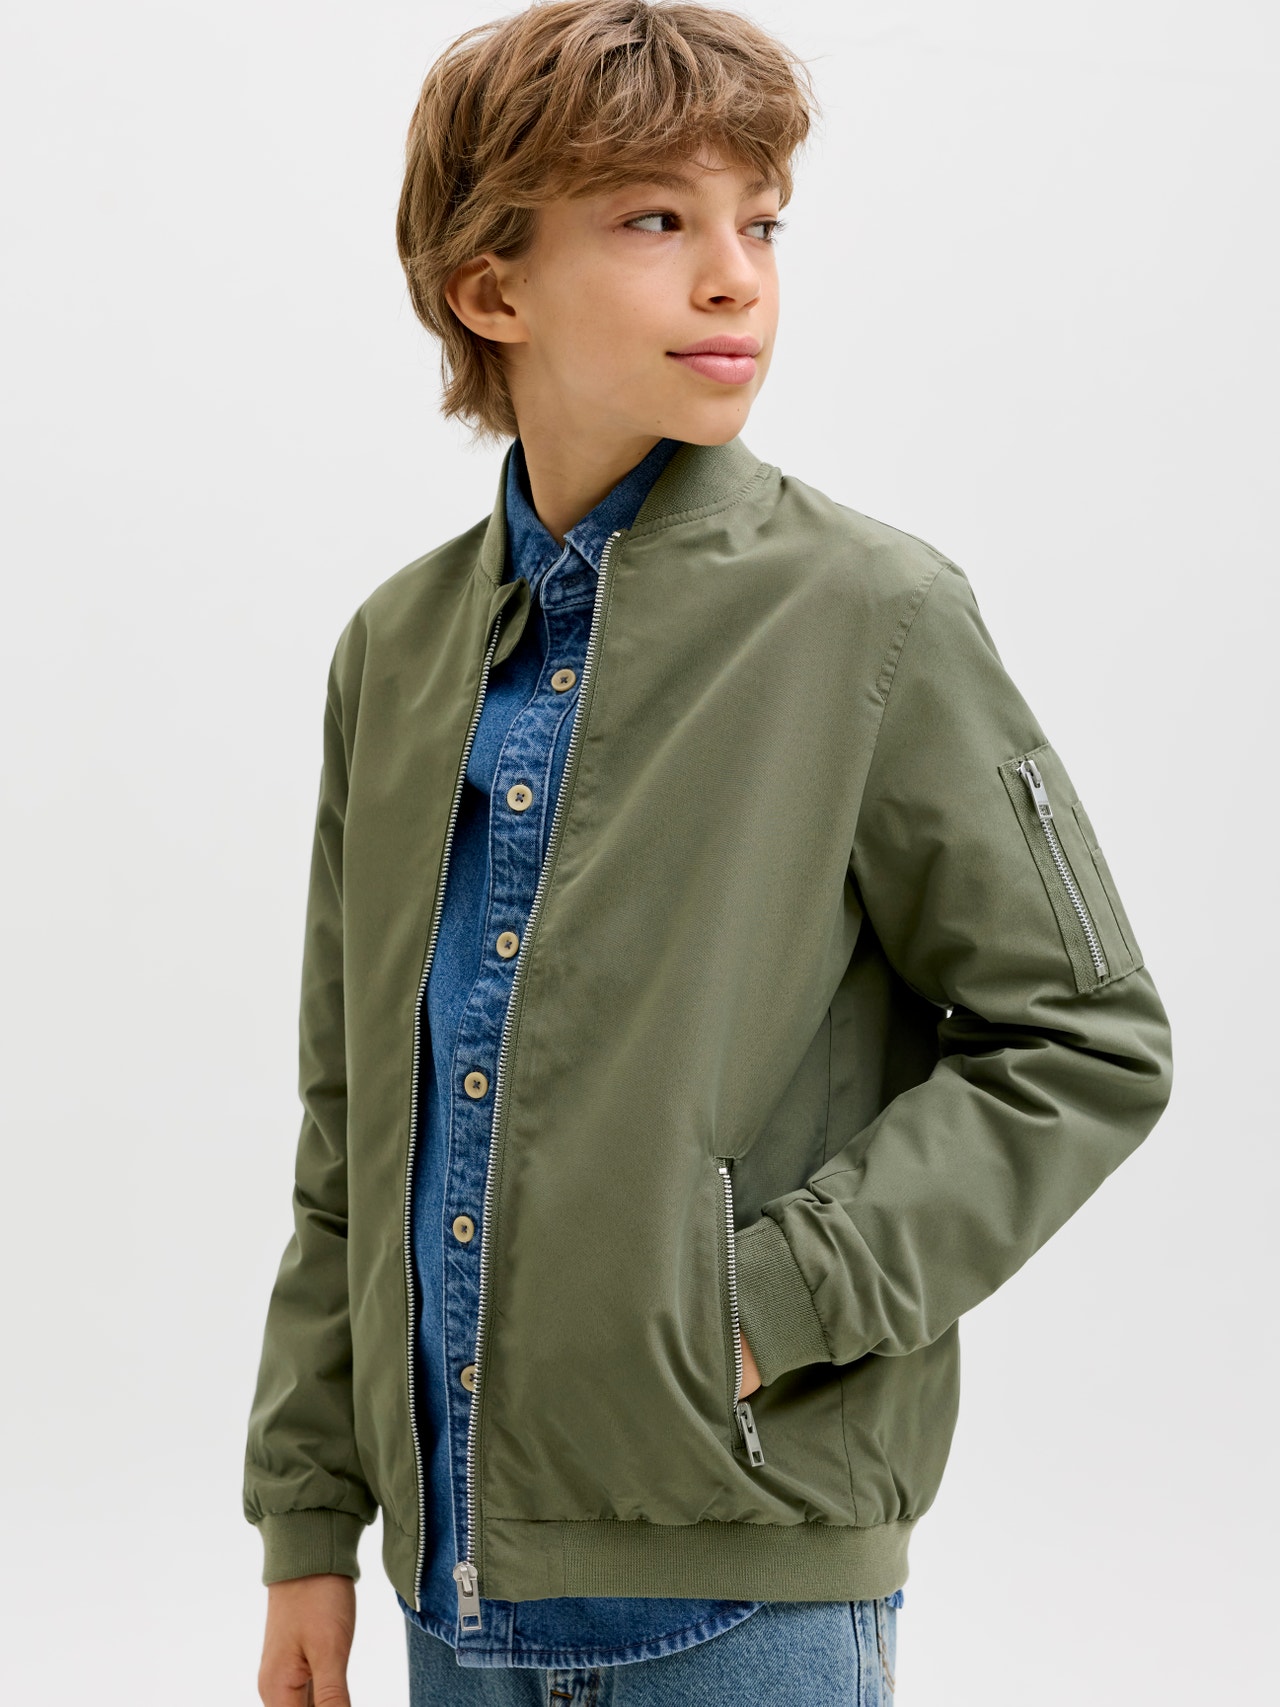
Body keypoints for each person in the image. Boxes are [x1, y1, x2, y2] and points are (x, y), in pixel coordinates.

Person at [244, 3, 1175, 1703]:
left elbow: (1086, 1042)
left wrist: (760, 1304)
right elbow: (354, 1123)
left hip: (745, 1606)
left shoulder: (872, 616)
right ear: (492, 289)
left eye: (763, 222)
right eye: (658, 219)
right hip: (448, 1602)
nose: (737, 277)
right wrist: (309, 1519)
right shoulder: (396, 651)